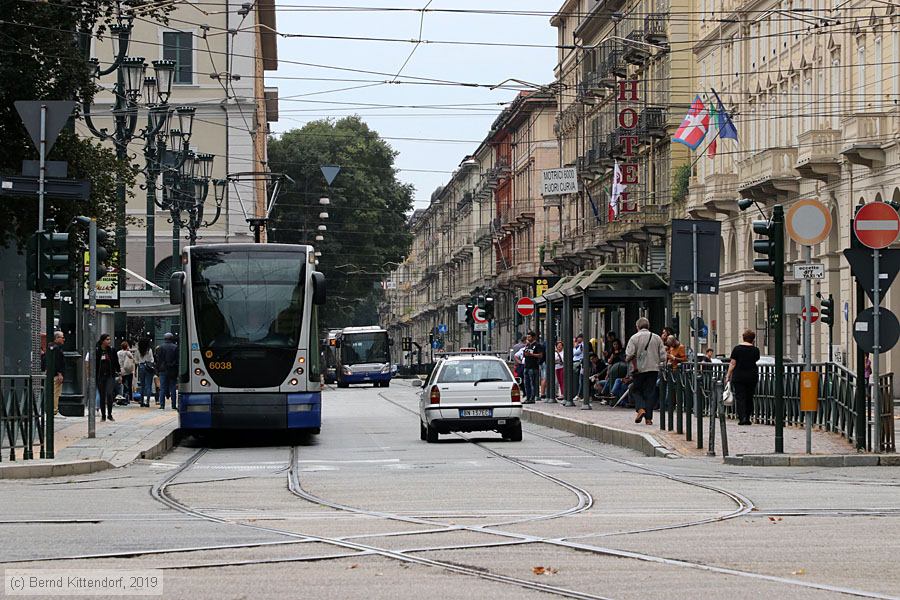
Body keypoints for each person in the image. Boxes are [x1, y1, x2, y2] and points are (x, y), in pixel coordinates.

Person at [625, 317, 666, 426]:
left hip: (638, 369)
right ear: (648, 326)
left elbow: (629, 355)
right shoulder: (657, 338)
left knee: (635, 389)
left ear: (637, 327)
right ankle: (648, 419)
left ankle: (640, 408)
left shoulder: (634, 338)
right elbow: (663, 357)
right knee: (650, 392)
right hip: (653, 369)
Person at [725, 329, 761, 426]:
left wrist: (728, 375)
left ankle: (742, 418)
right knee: (749, 397)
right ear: (753, 339)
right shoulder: (755, 350)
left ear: (743, 337)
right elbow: (756, 359)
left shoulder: (737, 349)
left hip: (739, 376)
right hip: (752, 376)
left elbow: (733, 363)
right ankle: (748, 417)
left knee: (740, 397)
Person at [95, 333, 119, 422]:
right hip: (100, 376)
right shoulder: (97, 350)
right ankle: (103, 415)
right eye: (107, 339)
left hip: (110, 375)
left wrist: (119, 373)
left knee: (109, 394)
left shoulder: (112, 350)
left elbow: (116, 362)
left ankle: (109, 414)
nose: (109, 341)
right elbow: (94, 363)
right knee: (102, 395)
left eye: (109, 339)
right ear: (102, 341)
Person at [157, 332, 179, 410]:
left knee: (162, 387)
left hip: (163, 369)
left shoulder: (160, 347)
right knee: (173, 387)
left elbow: (159, 360)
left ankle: (162, 405)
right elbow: (177, 359)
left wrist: (158, 369)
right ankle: (173, 405)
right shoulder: (175, 347)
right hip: (172, 369)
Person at [522, 331, 544, 404]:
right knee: (526, 383)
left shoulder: (537, 345)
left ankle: (532, 398)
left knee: (532, 383)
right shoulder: (527, 345)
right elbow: (524, 354)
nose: (528, 338)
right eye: (527, 337)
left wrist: (532, 354)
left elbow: (540, 355)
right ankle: (528, 397)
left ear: (533, 337)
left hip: (533, 366)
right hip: (526, 365)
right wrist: (525, 354)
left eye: (529, 337)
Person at [49, 331, 66, 418]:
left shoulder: (51, 347)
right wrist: (60, 373)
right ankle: (54, 411)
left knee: (53, 392)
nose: (64, 339)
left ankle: (53, 410)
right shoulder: (57, 348)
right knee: (56, 393)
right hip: (56, 375)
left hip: (51, 374)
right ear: (57, 338)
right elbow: (58, 362)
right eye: (62, 337)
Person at [135, 338, 155, 408]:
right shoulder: (149, 350)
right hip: (148, 367)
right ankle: (148, 402)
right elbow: (152, 359)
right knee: (148, 385)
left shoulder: (138, 350)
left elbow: (136, 360)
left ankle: (142, 401)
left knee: (142, 385)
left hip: (141, 367)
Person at [117, 341, 136, 406]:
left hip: (121, 370)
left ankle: (121, 397)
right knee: (129, 384)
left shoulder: (118, 352)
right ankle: (129, 397)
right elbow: (133, 359)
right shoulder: (128, 352)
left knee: (121, 384)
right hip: (128, 370)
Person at [572, 334, 585, 400]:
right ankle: (576, 393)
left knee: (579, 380)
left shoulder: (582, 345)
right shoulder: (579, 345)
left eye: (578, 338)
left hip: (579, 362)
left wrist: (574, 347)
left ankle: (579, 394)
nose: (577, 340)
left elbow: (575, 353)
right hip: (576, 362)